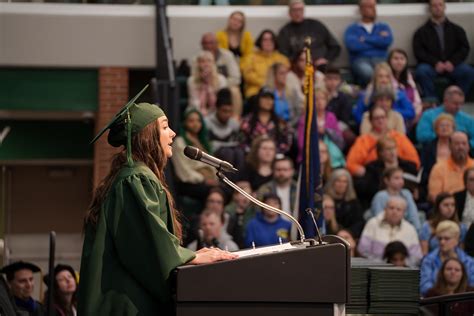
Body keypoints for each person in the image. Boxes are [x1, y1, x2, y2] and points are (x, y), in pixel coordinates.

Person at [78, 97, 236, 315]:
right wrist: (191, 257)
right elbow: (146, 245)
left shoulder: (132, 176)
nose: (172, 133)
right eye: (164, 127)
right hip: (126, 304)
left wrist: (184, 256)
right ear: (147, 136)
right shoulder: (135, 179)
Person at [413, 0, 474, 101]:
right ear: (430, 9)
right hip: (431, 66)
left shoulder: (457, 29)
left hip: (454, 65)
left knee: (469, 72)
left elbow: (464, 48)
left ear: (445, 7)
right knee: (421, 71)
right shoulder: (421, 32)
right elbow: (419, 51)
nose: (437, 7)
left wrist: (452, 62)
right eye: (434, 5)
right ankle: (432, 101)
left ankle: (456, 99)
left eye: (440, 5)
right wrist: (435, 63)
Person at [346, 106, 420, 177]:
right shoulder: (363, 140)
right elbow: (351, 164)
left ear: (387, 119)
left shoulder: (399, 137)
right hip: (373, 175)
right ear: (371, 121)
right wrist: (361, 171)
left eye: (383, 117)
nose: (380, 120)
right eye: (376, 118)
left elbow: (414, 161)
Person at [277, 0, 341, 72]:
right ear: (289, 12)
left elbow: (335, 47)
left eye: (300, 9)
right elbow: (283, 54)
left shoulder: (317, 25)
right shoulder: (285, 31)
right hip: (297, 68)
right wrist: (299, 60)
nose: (297, 13)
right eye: (294, 10)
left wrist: (326, 59)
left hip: (320, 66)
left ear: (304, 11)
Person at [358, 196, 422, 266]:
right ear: (385, 209)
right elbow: (363, 250)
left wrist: (400, 264)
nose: (394, 212)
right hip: (375, 270)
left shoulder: (410, 229)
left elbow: (416, 256)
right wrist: (382, 265)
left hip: (402, 272)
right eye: (391, 208)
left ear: (404, 213)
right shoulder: (372, 224)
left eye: (398, 209)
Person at [171, 108, 219, 200]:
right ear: (184, 123)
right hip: (190, 183)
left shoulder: (203, 142)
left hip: (208, 181)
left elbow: (212, 165)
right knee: (214, 192)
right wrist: (204, 180)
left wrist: (214, 179)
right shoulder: (179, 142)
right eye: (191, 121)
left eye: (198, 121)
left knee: (225, 189)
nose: (196, 124)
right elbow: (183, 171)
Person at [344, 0, 393, 86]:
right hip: (360, 60)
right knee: (369, 74)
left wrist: (365, 39)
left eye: (374, 6)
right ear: (361, 9)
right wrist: (377, 41)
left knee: (384, 74)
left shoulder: (383, 26)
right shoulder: (352, 29)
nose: (373, 10)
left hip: (381, 59)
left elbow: (386, 41)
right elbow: (352, 46)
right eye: (369, 7)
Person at [358, 135, 418, 206]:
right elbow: (369, 190)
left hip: (405, 202)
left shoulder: (409, 166)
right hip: (382, 202)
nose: (392, 152)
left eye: (394, 148)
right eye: (388, 149)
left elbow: (418, 185)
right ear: (380, 152)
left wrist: (418, 192)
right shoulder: (372, 168)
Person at [420, 220, 474, 296]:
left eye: (446, 238)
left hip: (463, 302)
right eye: (440, 238)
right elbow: (424, 287)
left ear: (457, 240)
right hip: (436, 301)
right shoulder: (428, 261)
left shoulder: (469, 262)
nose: (442, 242)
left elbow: (472, 286)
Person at [239, 87, 293, 154]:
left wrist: (273, 153)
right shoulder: (247, 121)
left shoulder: (281, 123)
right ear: (258, 100)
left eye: (271, 98)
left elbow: (287, 142)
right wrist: (253, 153)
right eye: (265, 97)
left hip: (275, 158)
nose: (268, 101)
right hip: (251, 158)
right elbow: (241, 142)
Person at [201, 33, 243, 117]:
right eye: (205, 43)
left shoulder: (228, 55)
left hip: (224, 87)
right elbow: (196, 78)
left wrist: (219, 84)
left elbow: (236, 78)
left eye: (211, 43)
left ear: (217, 43)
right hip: (204, 87)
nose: (208, 46)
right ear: (202, 45)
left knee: (235, 91)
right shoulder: (198, 58)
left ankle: (235, 119)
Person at [370, 167, 421, 233]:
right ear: (386, 180)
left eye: (402, 178)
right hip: (384, 230)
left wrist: (416, 231)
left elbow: (413, 215)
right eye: (396, 178)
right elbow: (378, 218)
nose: (401, 181)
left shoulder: (406, 194)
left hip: (405, 229)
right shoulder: (380, 196)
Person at [240, 30, 289, 98]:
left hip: (279, 91)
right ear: (260, 42)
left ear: (275, 42)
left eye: (271, 40)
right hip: (256, 91)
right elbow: (248, 75)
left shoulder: (283, 59)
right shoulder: (250, 57)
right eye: (265, 40)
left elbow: (287, 77)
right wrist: (267, 84)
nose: (268, 42)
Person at [205, 88, 245, 171]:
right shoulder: (207, 122)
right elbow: (209, 145)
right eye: (224, 111)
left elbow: (239, 142)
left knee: (239, 153)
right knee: (227, 153)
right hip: (213, 156)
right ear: (217, 109)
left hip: (231, 153)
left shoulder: (234, 123)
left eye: (229, 111)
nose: (227, 114)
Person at [428, 131, 474, 202]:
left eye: (464, 143)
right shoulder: (438, 168)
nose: (460, 147)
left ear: (468, 146)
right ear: (450, 146)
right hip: (449, 209)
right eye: (457, 144)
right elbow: (434, 196)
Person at [420, 113, 455, 198]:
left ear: (453, 129)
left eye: (448, 125)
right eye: (441, 125)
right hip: (434, 182)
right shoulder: (428, 147)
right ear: (436, 129)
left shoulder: (458, 145)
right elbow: (424, 169)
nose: (445, 128)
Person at [324, 168, 365, 237]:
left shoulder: (353, 202)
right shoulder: (325, 200)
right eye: (338, 181)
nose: (341, 184)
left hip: (347, 235)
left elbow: (359, 223)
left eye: (344, 182)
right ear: (332, 182)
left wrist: (348, 232)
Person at [187, 51, 228, 116]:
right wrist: (203, 85)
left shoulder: (221, 79)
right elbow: (194, 102)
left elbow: (220, 102)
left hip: (216, 110)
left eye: (209, 61)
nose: (206, 64)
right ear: (198, 64)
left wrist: (208, 84)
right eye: (202, 61)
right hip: (197, 110)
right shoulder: (192, 80)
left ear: (213, 63)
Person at [257, 156, 297, 220]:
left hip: (296, 226)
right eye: (278, 170)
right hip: (271, 227)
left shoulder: (298, 189)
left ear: (292, 171)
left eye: (285, 170)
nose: (281, 173)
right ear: (273, 171)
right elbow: (258, 211)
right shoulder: (264, 189)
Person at [265, 62, 304, 128]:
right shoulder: (266, 92)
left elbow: (298, 112)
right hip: (270, 127)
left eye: (286, 73)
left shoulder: (292, 92)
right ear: (274, 75)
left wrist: (289, 125)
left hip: (290, 127)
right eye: (281, 73)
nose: (285, 76)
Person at [387, 48, 422, 121]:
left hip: (411, 113)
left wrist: (417, 112)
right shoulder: (385, 76)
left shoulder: (408, 76)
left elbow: (417, 99)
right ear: (389, 61)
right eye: (396, 59)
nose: (399, 62)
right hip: (394, 113)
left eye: (402, 59)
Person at [225, 180, 256, 249]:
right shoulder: (228, 211)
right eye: (242, 194)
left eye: (248, 195)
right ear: (235, 196)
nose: (245, 197)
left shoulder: (254, 210)